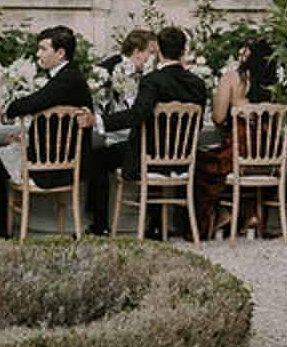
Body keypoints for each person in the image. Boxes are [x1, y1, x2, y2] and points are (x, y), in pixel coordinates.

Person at [86, 26, 208, 237]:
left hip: (148, 159)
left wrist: (98, 120)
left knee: (97, 159)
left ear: (159, 50)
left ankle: (100, 226)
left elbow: (137, 115)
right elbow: (197, 126)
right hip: (184, 159)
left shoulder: (152, 81)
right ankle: (158, 225)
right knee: (147, 143)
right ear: (183, 51)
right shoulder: (198, 84)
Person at [0, 25, 93, 237]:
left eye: (43, 49)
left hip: (53, 166)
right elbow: (55, 124)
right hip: (59, 156)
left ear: (60, 53)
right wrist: (25, 139)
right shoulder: (70, 75)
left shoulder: (66, 79)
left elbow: (30, 104)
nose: (38, 54)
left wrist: (10, 108)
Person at [195, 39, 275, 237]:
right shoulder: (274, 85)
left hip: (239, 155)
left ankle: (223, 214)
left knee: (199, 164)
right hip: (269, 161)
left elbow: (219, 117)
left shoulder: (232, 78)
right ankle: (251, 214)